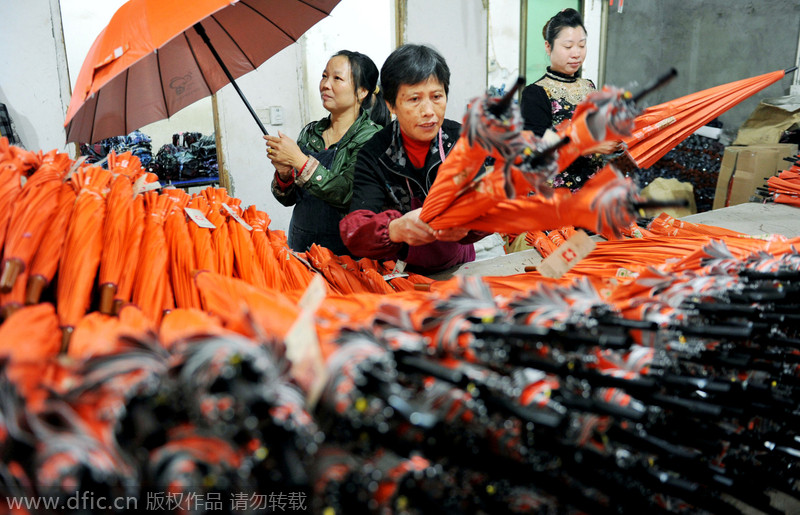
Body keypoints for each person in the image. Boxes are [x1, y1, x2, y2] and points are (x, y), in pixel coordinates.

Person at [339, 44, 487, 274]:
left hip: (460, 266)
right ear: (391, 104)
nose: (429, 111)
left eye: (437, 96)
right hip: (402, 271)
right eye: (414, 99)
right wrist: (394, 229)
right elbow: (355, 229)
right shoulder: (374, 153)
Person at [265, 50, 390, 255]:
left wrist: (300, 161)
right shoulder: (310, 133)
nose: (325, 84)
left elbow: (347, 195)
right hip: (302, 245)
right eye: (324, 76)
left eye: (337, 78)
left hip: (345, 254)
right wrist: (284, 174)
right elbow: (289, 199)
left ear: (362, 92)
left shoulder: (372, 137)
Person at [520, 8, 620, 192]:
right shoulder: (536, 93)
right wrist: (591, 146)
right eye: (568, 47)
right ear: (548, 47)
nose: (576, 54)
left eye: (581, 46)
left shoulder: (589, 87)